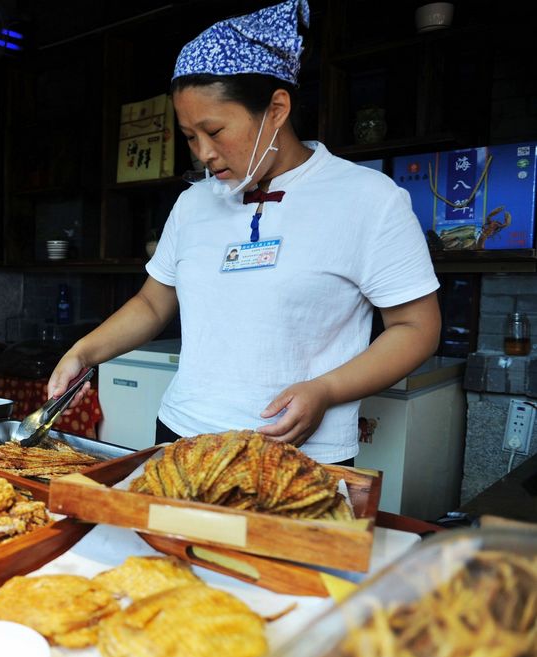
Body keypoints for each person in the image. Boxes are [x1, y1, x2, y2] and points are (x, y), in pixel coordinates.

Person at [48, 0, 441, 465]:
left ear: (276, 108)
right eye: (191, 136)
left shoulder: (367, 199)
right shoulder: (195, 202)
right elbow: (153, 303)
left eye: (215, 130)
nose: (204, 154)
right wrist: (84, 352)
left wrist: (327, 389)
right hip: (182, 436)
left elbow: (417, 327)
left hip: (295, 452)